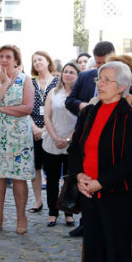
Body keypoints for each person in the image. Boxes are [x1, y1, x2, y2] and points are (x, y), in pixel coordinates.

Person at [67, 62, 132, 262]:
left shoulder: (130, 116)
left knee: (117, 249)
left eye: (107, 80)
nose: (100, 83)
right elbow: (75, 148)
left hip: (116, 192)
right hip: (87, 189)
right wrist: (79, 176)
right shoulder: (89, 112)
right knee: (92, 246)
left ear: (122, 87)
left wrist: (101, 182)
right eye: (100, 78)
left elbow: (130, 159)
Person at [0, 45, 35, 234]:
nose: (4, 59)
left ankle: (21, 216)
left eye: (8, 56)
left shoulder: (25, 79)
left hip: (19, 135)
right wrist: (4, 85)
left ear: (16, 60)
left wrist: (3, 109)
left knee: (19, 177)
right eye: (1, 56)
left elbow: (27, 108)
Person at [43, 61, 79, 226]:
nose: (68, 74)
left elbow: (81, 121)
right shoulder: (53, 92)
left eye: (72, 72)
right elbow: (47, 117)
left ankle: (68, 211)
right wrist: (56, 138)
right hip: (52, 141)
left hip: (72, 143)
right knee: (52, 179)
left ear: (78, 76)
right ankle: (52, 212)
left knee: (70, 180)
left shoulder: (80, 96)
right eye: (66, 71)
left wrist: (68, 139)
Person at [29, 51, 58, 213]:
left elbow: (60, 108)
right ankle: (38, 200)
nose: (37, 62)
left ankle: (53, 204)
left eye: (40, 59)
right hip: (32, 130)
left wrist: (46, 129)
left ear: (48, 60)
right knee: (35, 167)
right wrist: (34, 128)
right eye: (34, 61)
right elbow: (26, 105)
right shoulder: (30, 82)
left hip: (51, 130)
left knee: (52, 168)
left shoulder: (57, 82)